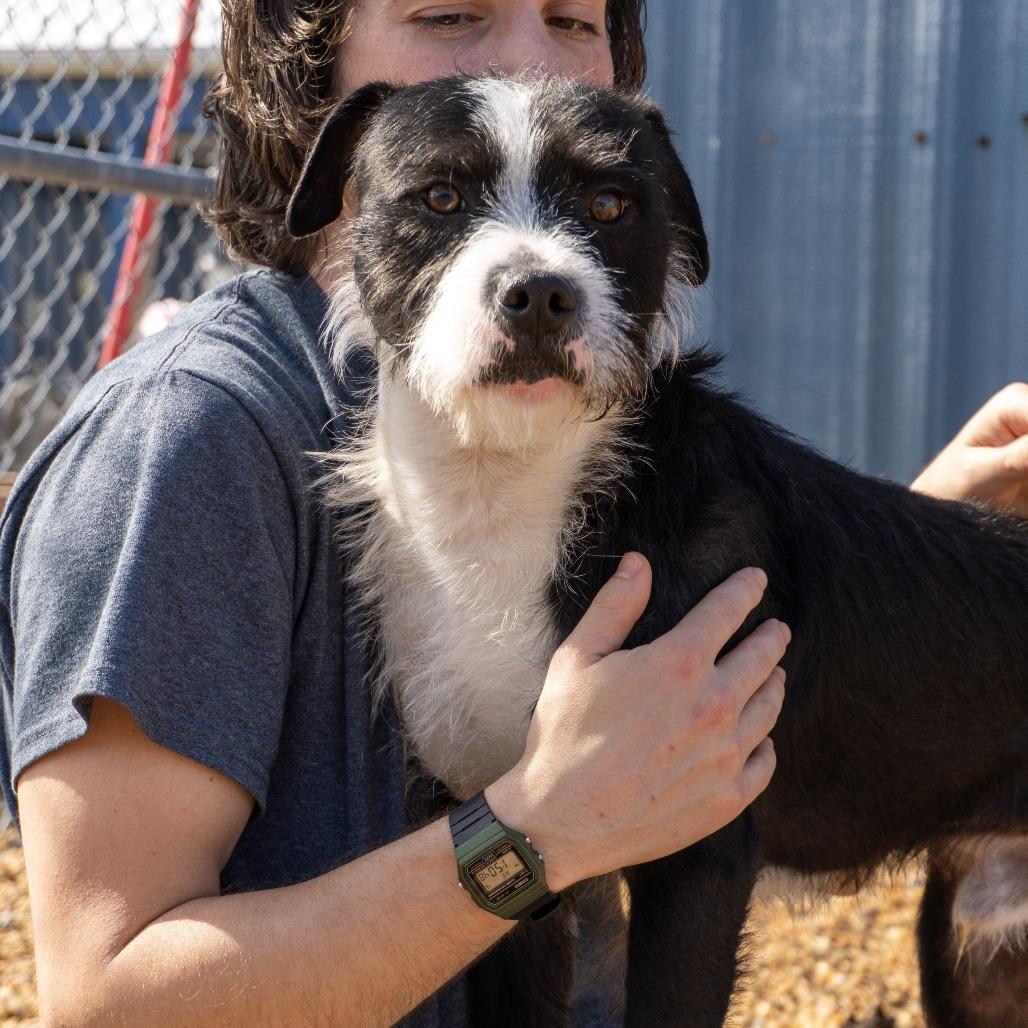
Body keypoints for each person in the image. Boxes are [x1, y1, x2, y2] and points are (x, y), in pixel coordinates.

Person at [0, 3, 1025, 1025]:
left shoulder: (591, 441)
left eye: (574, 25)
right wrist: (534, 832)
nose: (527, 64)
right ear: (315, 98)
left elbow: (688, 677)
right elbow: (109, 1001)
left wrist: (923, 554)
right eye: (450, 16)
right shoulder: (186, 443)